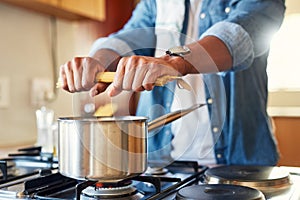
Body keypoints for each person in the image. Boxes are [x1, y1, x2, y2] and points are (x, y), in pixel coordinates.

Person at [59, 0, 286, 166]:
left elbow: (239, 36)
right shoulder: (155, 3)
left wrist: (176, 62)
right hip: (162, 167)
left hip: (242, 166)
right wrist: (97, 61)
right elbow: (126, 39)